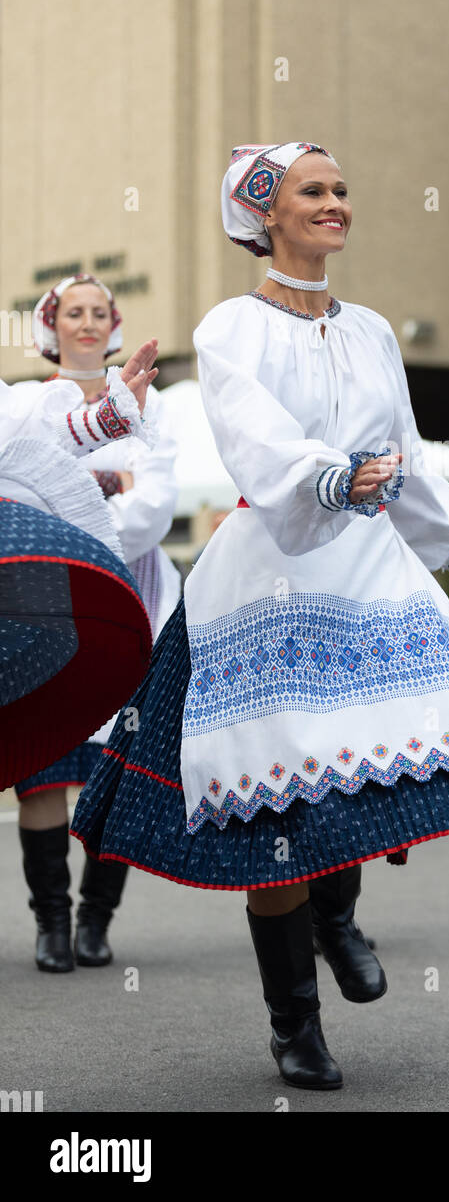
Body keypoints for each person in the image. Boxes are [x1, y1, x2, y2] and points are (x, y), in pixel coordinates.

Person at [72, 140, 449, 1090]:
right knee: (277, 786)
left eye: (339, 190)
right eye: (311, 191)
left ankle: (338, 913)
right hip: (272, 568)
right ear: (264, 215)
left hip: (367, 568)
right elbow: (256, 435)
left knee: (356, 760)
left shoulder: (369, 329)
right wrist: (326, 476)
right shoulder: (231, 328)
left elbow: (400, 450)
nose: (334, 203)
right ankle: (296, 1024)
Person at [9, 274, 180, 974]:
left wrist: (83, 516)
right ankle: (50, 922)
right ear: (53, 324)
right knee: (43, 768)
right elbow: (21, 485)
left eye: (98, 312)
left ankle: (94, 917)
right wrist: (110, 489)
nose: (86, 322)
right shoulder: (23, 400)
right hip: (45, 595)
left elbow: (158, 501)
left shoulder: (152, 403)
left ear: (113, 324)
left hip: (131, 596)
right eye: (72, 312)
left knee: (116, 767)